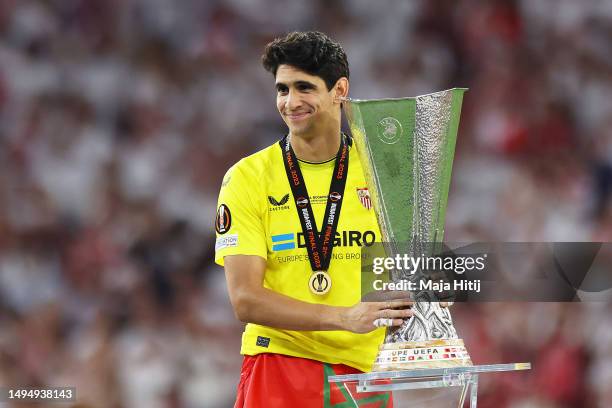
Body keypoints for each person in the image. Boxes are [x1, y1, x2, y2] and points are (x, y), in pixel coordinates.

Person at [214, 31, 413, 408]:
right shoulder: (248, 177)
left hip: (364, 371)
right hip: (281, 362)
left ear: (339, 89)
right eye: (282, 89)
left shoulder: (384, 173)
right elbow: (245, 299)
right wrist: (343, 317)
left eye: (304, 88)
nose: (290, 102)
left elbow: (398, 273)